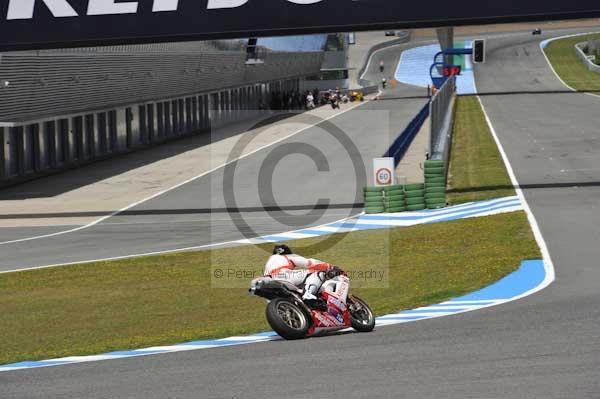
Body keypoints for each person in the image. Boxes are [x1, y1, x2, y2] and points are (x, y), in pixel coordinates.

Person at [264, 245, 343, 303]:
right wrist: (330, 267)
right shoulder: (287, 256)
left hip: (270, 286)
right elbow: (310, 263)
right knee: (318, 273)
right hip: (285, 276)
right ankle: (308, 294)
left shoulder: (269, 262)